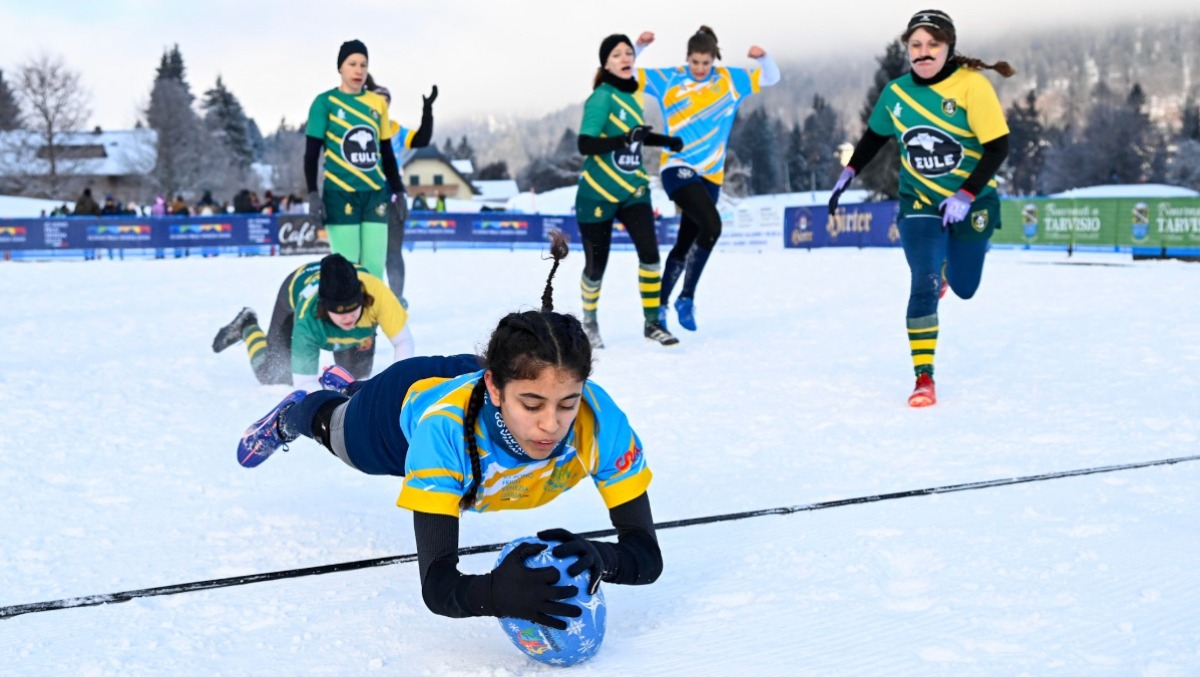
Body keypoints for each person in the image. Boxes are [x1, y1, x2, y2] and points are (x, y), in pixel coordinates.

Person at [234, 230, 662, 631]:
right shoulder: (444, 434)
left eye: (567, 403)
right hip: (399, 406)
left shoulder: (599, 419)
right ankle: (299, 414)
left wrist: (600, 557)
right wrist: (493, 594)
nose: (551, 424)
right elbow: (438, 586)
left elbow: (645, 556)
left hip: (471, 380)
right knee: (338, 433)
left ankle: (354, 389)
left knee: (518, 379)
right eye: (532, 405)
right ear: (496, 388)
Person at [828, 9, 1013, 407]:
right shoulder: (896, 94)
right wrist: (850, 172)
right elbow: (875, 137)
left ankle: (952, 270)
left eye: (933, 44)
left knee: (964, 287)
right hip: (919, 200)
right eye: (916, 45)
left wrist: (965, 195)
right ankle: (923, 377)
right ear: (907, 49)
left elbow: (998, 147)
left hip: (973, 200)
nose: (924, 52)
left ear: (949, 48)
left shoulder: (971, 87)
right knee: (923, 279)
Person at [635, 27, 780, 332]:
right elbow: (627, 74)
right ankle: (685, 297)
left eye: (705, 63)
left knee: (687, 240)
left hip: (711, 175)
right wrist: (639, 47)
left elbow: (771, 77)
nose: (700, 69)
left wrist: (764, 57)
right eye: (695, 62)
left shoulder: (728, 80)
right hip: (677, 166)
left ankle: (663, 305)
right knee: (713, 225)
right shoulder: (671, 78)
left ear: (714, 60)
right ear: (686, 58)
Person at [576, 33, 684, 348]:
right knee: (596, 266)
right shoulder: (602, 97)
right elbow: (586, 144)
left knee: (650, 255)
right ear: (606, 64)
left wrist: (666, 141)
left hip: (633, 188)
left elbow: (636, 135)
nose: (626, 58)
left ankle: (652, 323)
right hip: (597, 192)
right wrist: (623, 139)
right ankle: (590, 322)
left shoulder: (633, 97)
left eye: (629, 53)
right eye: (617, 54)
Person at [212, 253, 414, 389]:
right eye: (339, 312)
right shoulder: (307, 318)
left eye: (354, 310)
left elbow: (403, 341)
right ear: (325, 307)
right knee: (274, 373)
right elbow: (305, 385)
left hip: (350, 315)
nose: (348, 318)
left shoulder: (378, 294)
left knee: (355, 378)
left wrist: (397, 386)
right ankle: (248, 324)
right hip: (294, 294)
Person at [305, 39, 404, 280]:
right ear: (340, 67)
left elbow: (387, 153)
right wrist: (312, 193)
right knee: (346, 272)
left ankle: (370, 320)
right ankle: (346, 317)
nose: (358, 70)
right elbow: (311, 154)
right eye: (352, 64)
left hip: (375, 194)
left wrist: (399, 191)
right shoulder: (324, 103)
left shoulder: (377, 103)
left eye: (363, 64)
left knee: (373, 272)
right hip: (340, 194)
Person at [367, 75, 438, 306]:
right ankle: (365, 296)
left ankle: (396, 299)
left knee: (392, 251)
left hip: (392, 194)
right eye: (379, 99)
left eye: (387, 101)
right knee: (368, 252)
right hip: (364, 194)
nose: (383, 104)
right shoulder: (361, 126)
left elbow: (421, 139)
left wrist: (427, 110)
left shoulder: (394, 128)